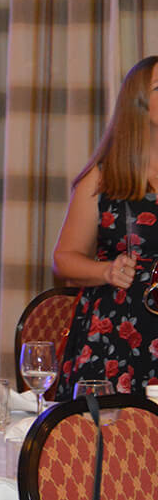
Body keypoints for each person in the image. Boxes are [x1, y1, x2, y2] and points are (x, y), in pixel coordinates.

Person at [53, 55, 158, 398]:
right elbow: (64, 260)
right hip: (118, 337)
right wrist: (107, 271)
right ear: (138, 105)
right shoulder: (102, 178)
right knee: (113, 446)